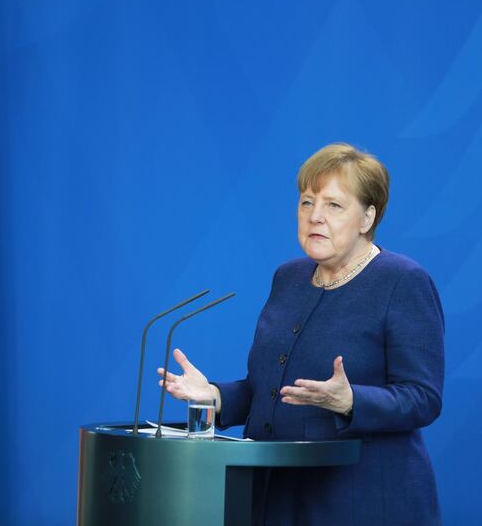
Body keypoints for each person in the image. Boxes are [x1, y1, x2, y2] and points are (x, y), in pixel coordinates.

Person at [158, 143, 445, 525]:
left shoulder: (402, 282)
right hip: (275, 501)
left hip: (362, 504)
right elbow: (270, 389)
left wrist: (350, 401)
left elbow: (423, 397)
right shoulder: (289, 278)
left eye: (334, 206)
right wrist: (214, 397)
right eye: (307, 202)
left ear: (367, 217)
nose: (315, 217)